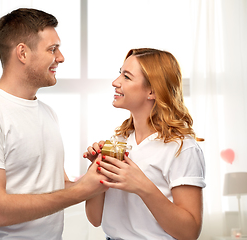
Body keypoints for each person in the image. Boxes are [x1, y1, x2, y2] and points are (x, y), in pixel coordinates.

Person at [0, 8, 107, 239]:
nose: (61, 57)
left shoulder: (47, 113)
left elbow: (55, 187)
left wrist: (92, 176)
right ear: (23, 53)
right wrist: (81, 190)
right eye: (52, 49)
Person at [84, 48, 206, 240]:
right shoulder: (118, 142)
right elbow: (95, 218)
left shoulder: (182, 148)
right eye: (119, 74)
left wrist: (142, 186)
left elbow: (189, 232)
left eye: (127, 77)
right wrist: (95, 169)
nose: (115, 82)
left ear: (153, 91)